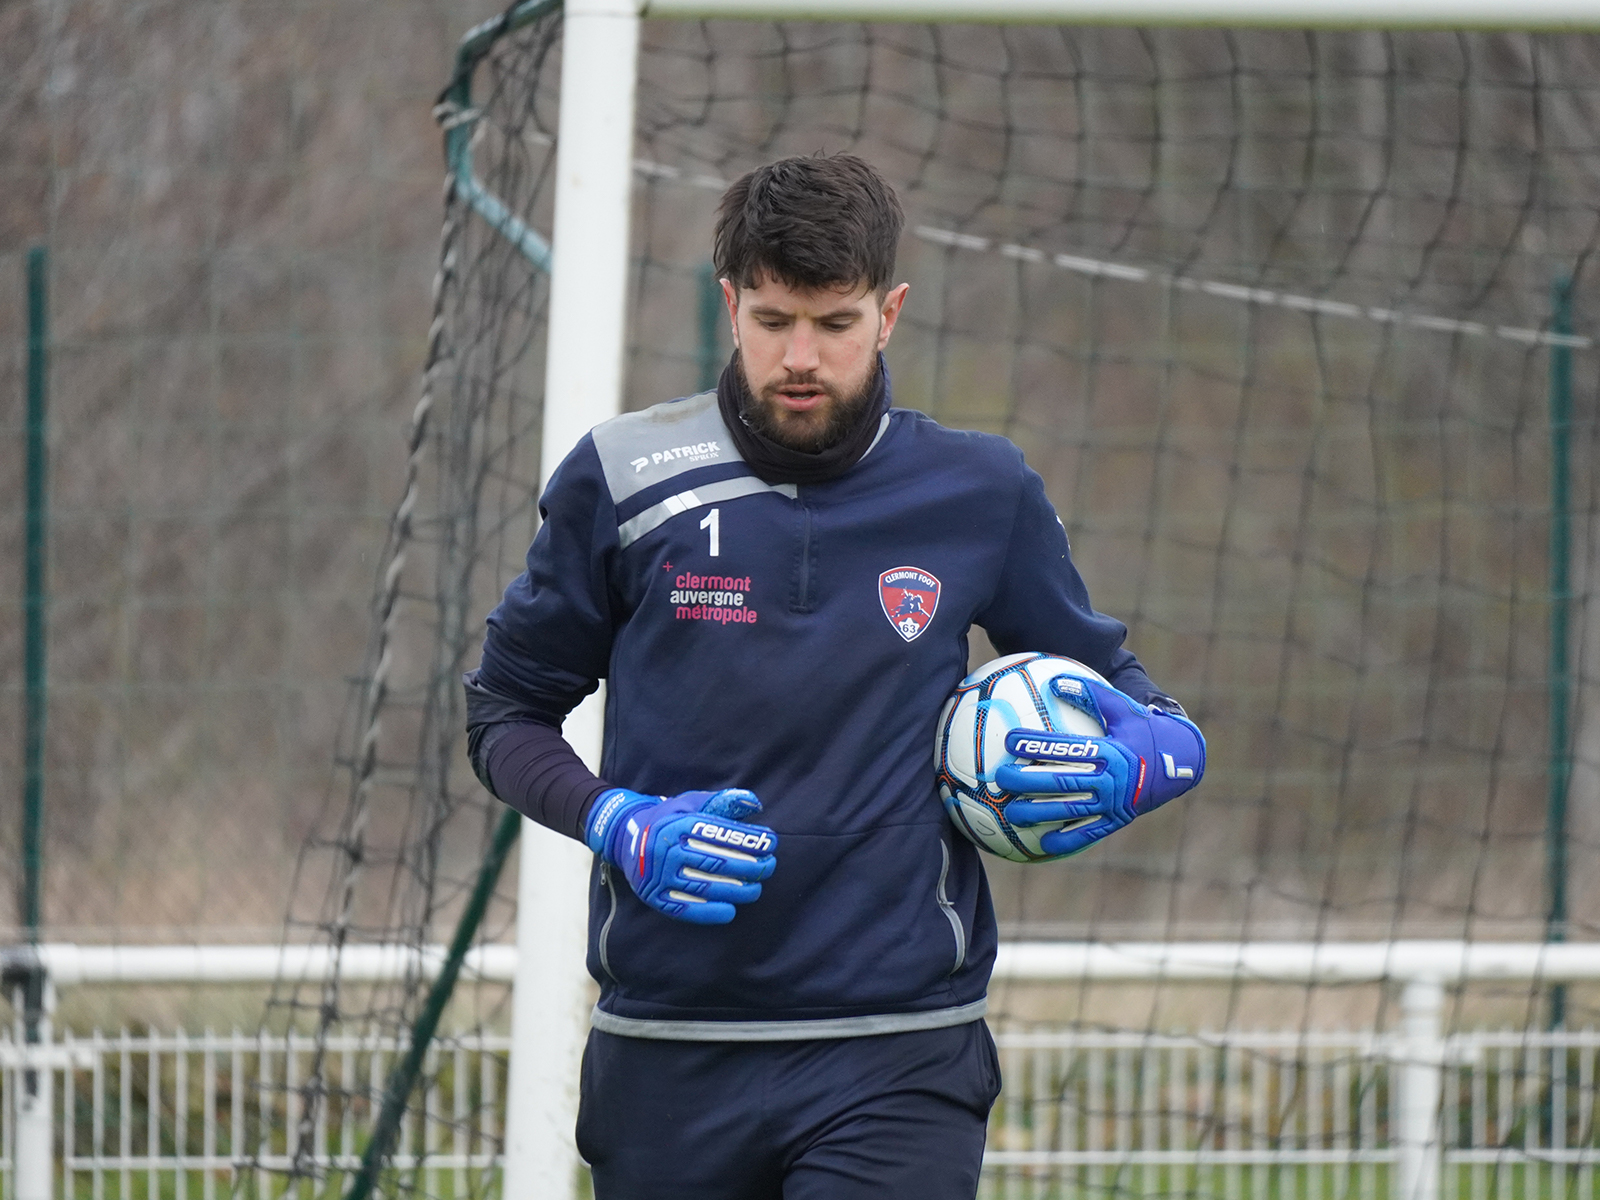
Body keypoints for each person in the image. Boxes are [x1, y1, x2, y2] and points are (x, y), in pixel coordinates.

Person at [463, 153, 1204, 1199]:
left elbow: (1132, 698)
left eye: (834, 322)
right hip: (669, 1050)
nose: (799, 356)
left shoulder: (978, 491)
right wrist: (614, 819)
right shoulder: (622, 477)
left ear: (888, 312)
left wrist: (1160, 755)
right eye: (771, 320)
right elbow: (504, 711)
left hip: (899, 1048)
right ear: (729, 303)